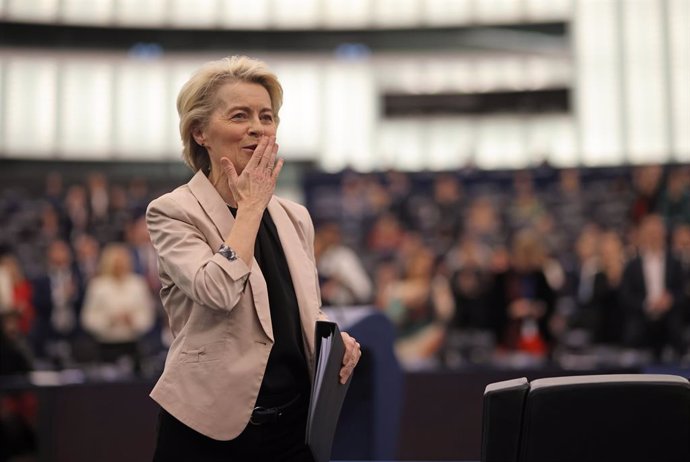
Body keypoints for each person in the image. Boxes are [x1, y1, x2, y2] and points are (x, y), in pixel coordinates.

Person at [145, 56, 361, 461]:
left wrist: (334, 342)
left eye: (266, 116)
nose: (257, 128)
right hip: (207, 428)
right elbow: (217, 291)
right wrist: (249, 209)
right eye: (240, 115)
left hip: (294, 429)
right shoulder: (173, 211)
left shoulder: (295, 216)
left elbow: (302, 310)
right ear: (200, 132)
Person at [80, 243, 155, 374]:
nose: (120, 266)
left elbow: (147, 314)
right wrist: (109, 320)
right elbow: (88, 318)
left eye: (123, 262)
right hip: (106, 345)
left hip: (132, 343)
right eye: (116, 262)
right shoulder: (97, 285)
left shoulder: (138, 284)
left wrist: (133, 320)